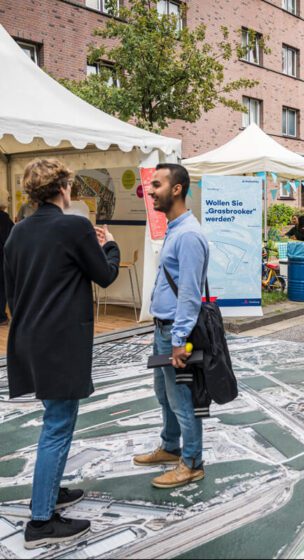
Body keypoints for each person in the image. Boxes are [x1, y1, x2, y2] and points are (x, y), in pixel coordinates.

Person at [4, 159, 120, 549]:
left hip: (30, 339)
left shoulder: (17, 233)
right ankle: (41, 521)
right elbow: (104, 274)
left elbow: (13, 288)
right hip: (60, 340)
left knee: (56, 417)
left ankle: (49, 493)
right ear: (64, 188)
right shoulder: (73, 226)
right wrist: (111, 245)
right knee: (57, 423)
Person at [133, 163, 209, 489]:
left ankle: (192, 462)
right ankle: (169, 446)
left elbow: (190, 295)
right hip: (163, 328)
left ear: (177, 189)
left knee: (182, 398)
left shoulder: (189, 235)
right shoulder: (176, 229)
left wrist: (179, 340)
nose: (150, 191)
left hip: (176, 333)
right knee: (164, 393)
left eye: (157, 185)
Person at [0, 192, 14, 325]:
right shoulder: (3, 218)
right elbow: (8, 238)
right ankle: (1, 316)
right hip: (1, 257)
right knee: (2, 286)